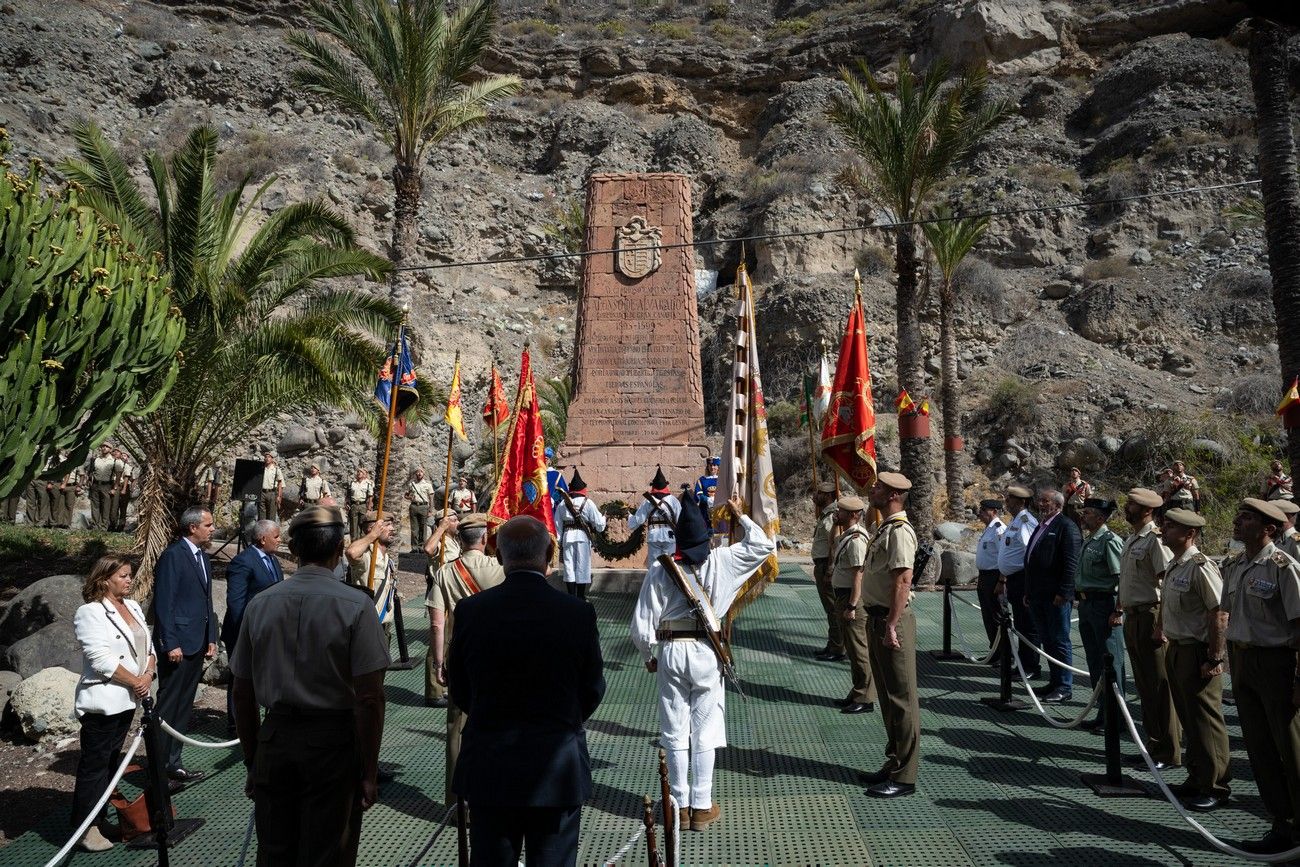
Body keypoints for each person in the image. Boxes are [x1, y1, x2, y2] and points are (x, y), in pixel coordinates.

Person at [230, 505, 390, 867]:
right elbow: (369, 697)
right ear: (339, 550)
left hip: (276, 739)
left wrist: (254, 761)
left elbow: (242, 691)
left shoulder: (261, 604)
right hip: (332, 742)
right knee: (328, 852)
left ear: (295, 551)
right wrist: (368, 771)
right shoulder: (356, 605)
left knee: (274, 851)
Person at [449, 515, 606, 864]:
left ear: (500, 557)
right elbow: (593, 687)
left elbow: (459, 686)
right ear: (549, 557)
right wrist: (563, 721)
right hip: (556, 765)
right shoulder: (577, 612)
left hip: (491, 765)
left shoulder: (472, 611)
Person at [631, 492, 773, 830]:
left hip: (671, 652)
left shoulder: (659, 569)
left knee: (674, 730)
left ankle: (678, 806)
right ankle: (702, 805)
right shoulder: (724, 560)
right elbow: (764, 545)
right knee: (705, 730)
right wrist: (739, 515)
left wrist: (648, 656)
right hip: (707, 653)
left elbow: (640, 627)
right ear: (707, 536)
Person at [1222, 498, 1300, 854]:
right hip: (1242, 662)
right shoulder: (1236, 565)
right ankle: (1281, 824)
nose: (1238, 521)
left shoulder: (1284, 567)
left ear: (1269, 529)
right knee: (1259, 747)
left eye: (1247, 518)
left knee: (1290, 748)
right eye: (1240, 516)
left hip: (1276, 664)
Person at [71, 556, 156, 852]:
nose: (129, 580)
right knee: (95, 765)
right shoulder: (90, 612)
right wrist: (135, 681)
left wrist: (147, 674)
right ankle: (85, 827)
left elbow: (148, 645)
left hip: (129, 698)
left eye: (130, 575)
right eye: (123, 575)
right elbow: (99, 659)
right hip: (104, 700)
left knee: (110, 763)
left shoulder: (132, 606)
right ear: (104, 579)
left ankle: (100, 817)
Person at [425, 513, 505, 796]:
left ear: (460, 539)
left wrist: (438, 663)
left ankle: (458, 798)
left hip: (460, 653)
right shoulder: (499, 568)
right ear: (484, 538)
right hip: (496, 655)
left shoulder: (445, 572)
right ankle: (493, 793)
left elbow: (437, 623)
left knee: (457, 727)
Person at [1159, 507, 1230, 812]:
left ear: (1189, 534)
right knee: (1189, 718)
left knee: (1205, 719)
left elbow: (1219, 612)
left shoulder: (1201, 567)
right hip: (1177, 648)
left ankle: (1215, 785)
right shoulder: (1176, 564)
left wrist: (1215, 656)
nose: (1164, 530)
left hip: (1197, 651)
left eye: (1171, 527)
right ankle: (1197, 776)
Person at [858, 472, 921, 798]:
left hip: (891, 621)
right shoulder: (885, 528)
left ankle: (905, 776)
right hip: (878, 617)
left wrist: (893, 625)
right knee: (886, 697)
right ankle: (894, 761)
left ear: (894, 494)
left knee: (902, 700)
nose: (873, 489)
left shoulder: (899, 532)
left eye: (879, 487)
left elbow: (903, 580)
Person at [1110, 487, 1178, 769]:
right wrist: (1118, 608)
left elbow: (1167, 585)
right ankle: (1154, 744)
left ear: (1148, 510)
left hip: (1151, 615)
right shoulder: (1132, 539)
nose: (1127, 508)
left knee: (1160, 686)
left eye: (1132, 505)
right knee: (1145, 685)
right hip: (1134, 616)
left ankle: (1169, 751)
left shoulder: (1155, 540)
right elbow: (1126, 580)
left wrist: (1162, 624)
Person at [150, 507, 218, 784]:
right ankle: (158, 769)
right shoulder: (173, 556)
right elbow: (164, 603)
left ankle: (173, 763)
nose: (213, 529)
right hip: (178, 645)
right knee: (168, 707)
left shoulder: (203, 558)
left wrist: (210, 636)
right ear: (192, 528)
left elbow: (206, 601)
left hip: (197, 642)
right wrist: (170, 643)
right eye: (208, 524)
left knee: (183, 707)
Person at [221, 520, 283, 734]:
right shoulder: (243, 562)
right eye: (276, 536)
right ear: (263, 538)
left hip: (267, 631)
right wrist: (245, 633)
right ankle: (237, 723)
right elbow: (236, 602)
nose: (280, 540)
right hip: (243, 631)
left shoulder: (273, 561)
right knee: (241, 677)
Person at [1022, 488, 1081, 703]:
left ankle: (1064, 686)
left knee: (1059, 640)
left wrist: (1064, 593)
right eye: (1040, 501)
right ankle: (1054, 681)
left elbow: (1071, 564)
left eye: (1045, 501)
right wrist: (1028, 591)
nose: (1040, 504)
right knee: (1047, 640)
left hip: (1055, 597)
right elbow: (1031, 561)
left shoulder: (1066, 527)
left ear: (1057, 505)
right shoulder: (1041, 525)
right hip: (1038, 595)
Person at [1075, 498, 1126, 730]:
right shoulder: (1090, 540)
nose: (1083, 516)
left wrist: (1118, 610)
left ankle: (1116, 717)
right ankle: (1103, 712)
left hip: (1104, 605)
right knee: (1095, 661)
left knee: (1110, 662)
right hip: (1087, 605)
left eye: (1087, 512)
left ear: (1100, 517)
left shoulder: (1109, 541)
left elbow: (1121, 579)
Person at [830, 494, 876, 715]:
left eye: (841, 512)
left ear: (854, 515)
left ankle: (865, 697)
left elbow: (859, 574)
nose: (836, 514)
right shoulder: (848, 535)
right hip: (844, 596)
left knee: (859, 649)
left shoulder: (857, 540)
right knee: (852, 646)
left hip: (851, 598)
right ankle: (857, 690)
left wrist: (852, 605)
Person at [996, 485, 1041, 678]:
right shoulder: (1015, 521)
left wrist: (1029, 585)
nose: (1007, 502)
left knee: (1027, 625)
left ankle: (1031, 667)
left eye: (1011, 499)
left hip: (1024, 579)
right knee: (1021, 624)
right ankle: (1024, 664)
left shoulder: (1025, 521)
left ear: (1022, 502)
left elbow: (1030, 554)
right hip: (1014, 579)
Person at [346, 512, 398, 645]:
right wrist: (372, 536)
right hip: (367, 627)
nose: (392, 528)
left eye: (392, 524)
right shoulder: (367, 556)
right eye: (387, 525)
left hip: (384, 627)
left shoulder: (387, 559)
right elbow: (351, 553)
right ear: (372, 528)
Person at [553, 470, 606, 600]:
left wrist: (560, 540)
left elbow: (557, 524)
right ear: (583, 489)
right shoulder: (588, 503)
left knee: (569, 566)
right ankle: (581, 596)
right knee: (582, 565)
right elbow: (599, 524)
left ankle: (571, 596)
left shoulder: (562, 504)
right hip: (582, 537)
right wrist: (604, 519)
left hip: (567, 537)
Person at [809, 481, 845, 662]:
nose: (816, 496)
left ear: (830, 496)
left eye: (820, 493)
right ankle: (832, 644)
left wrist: (830, 569)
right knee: (829, 608)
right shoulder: (825, 514)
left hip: (826, 565)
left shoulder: (832, 516)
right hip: (821, 564)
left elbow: (834, 543)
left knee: (833, 609)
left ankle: (838, 648)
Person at [627, 467, 681, 568]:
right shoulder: (673, 500)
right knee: (671, 567)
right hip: (670, 536)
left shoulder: (647, 501)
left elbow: (638, 520)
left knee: (654, 567)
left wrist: (630, 517)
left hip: (654, 536)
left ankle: (655, 583)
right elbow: (680, 519)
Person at [973, 498, 1006, 661]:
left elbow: (1003, 558)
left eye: (984, 510)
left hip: (995, 576)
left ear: (994, 511)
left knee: (997, 616)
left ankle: (1005, 654)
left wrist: (1002, 581)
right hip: (985, 576)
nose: (980, 513)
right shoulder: (989, 529)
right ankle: (994, 651)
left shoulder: (999, 530)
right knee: (988, 615)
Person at [88, 444, 119, 530]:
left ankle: (103, 527)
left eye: (107, 447)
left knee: (106, 507)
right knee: (95, 506)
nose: (104, 448)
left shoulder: (114, 461)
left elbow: (118, 476)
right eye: (102, 446)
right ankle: (94, 526)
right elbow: (91, 471)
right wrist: (90, 481)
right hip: (96, 484)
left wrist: (114, 488)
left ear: (110, 449)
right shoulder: (96, 459)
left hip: (107, 485)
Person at [406, 467, 435, 549]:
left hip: (423, 506)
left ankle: (422, 546)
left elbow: (431, 498)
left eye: (421, 472)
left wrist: (430, 510)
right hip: (414, 506)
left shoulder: (427, 485)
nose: (419, 473)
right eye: (417, 472)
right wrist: (409, 497)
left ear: (423, 474)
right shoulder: (412, 484)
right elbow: (407, 495)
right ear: (415, 474)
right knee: (414, 528)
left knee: (423, 527)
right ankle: (414, 547)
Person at [347, 468, 375, 539]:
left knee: (362, 524)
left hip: (363, 505)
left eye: (361, 472)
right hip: (354, 505)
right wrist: (347, 503)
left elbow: (370, 497)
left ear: (365, 474)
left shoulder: (368, 484)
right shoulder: (352, 483)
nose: (359, 473)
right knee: (353, 525)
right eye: (358, 472)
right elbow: (348, 494)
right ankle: (353, 542)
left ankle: (361, 542)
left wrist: (369, 508)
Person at [112, 449, 135, 532]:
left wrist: (128, 489)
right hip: (117, 487)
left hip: (124, 488)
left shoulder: (129, 467)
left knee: (123, 508)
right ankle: (113, 524)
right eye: (122, 455)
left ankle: (121, 526)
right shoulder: (117, 465)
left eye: (125, 455)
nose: (123, 456)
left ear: (127, 458)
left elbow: (132, 479)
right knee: (115, 507)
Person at [258, 452, 284, 522]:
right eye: (266, 457)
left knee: (271, 514)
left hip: (272, 493)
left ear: (272, 459)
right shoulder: (262, 468)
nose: (267, 458)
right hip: (262, 492)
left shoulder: (276, 469)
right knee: (261, 514)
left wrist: (279, 496)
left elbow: (280, 483)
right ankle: (262, 530)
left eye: (269, 457)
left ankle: (270, 531)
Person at [57, 461, 83, 530]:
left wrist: (79, 486)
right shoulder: (63, 462)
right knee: (60, 505)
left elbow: (82, 475)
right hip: (61, 485)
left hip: (71, 486)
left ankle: (66, 523)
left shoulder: (78, 463)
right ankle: (59, 522)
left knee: (69, 505)